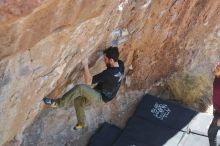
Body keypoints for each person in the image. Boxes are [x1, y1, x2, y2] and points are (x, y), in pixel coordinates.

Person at [43, 46, 124, 130]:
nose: (104, 60)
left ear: (111, 60)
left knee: (81, 88)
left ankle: (59, 103)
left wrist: (85, 65)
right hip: (105, 94)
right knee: (78, 101)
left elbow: (88, 82)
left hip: (101, 98)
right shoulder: (120, 65)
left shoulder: (109, 73)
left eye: (105, 59)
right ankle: (82, 123)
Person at [208, 62, 220, 146]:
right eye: (216, 67)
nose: (215, 69)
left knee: (211, 133)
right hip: (216, 109)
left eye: (218, 69)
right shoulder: (217, 77)